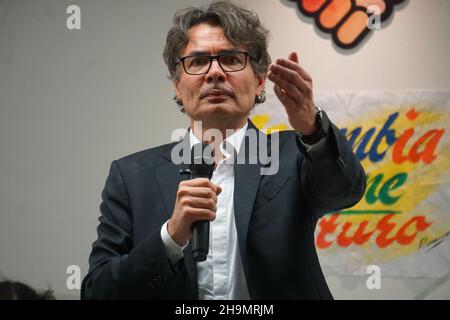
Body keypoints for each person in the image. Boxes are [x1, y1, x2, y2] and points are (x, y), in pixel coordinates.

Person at [81, 1, 366, 300]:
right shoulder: (131, 176)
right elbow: (98, 292)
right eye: (198, 61)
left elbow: (345, 191)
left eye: (231, 60)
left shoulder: (295, 153)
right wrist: (171, 237)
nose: (215, 72)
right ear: (177, 85)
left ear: (258, 83)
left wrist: (312, 125)